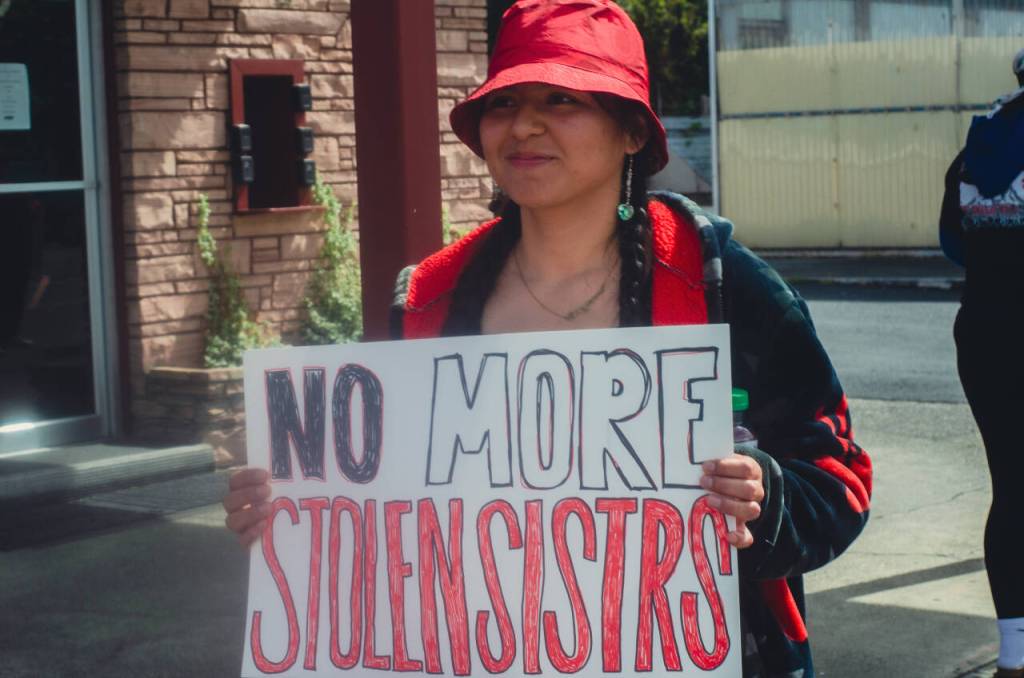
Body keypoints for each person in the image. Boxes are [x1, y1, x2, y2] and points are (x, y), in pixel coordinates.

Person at [224, 2, 872, 675]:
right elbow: (389, 521)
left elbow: (841, 478)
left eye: (560, 99)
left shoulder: (724, 287)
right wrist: (294, 518)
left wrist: (766, 497)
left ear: (631, 132)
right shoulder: (425, 302)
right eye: (503, 103)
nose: (523, 125)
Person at [940, 47, 1024, 678]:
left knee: (1013, 491)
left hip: (988, 334)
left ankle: (1016, 656)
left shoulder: (977, 148)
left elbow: (953, 242)